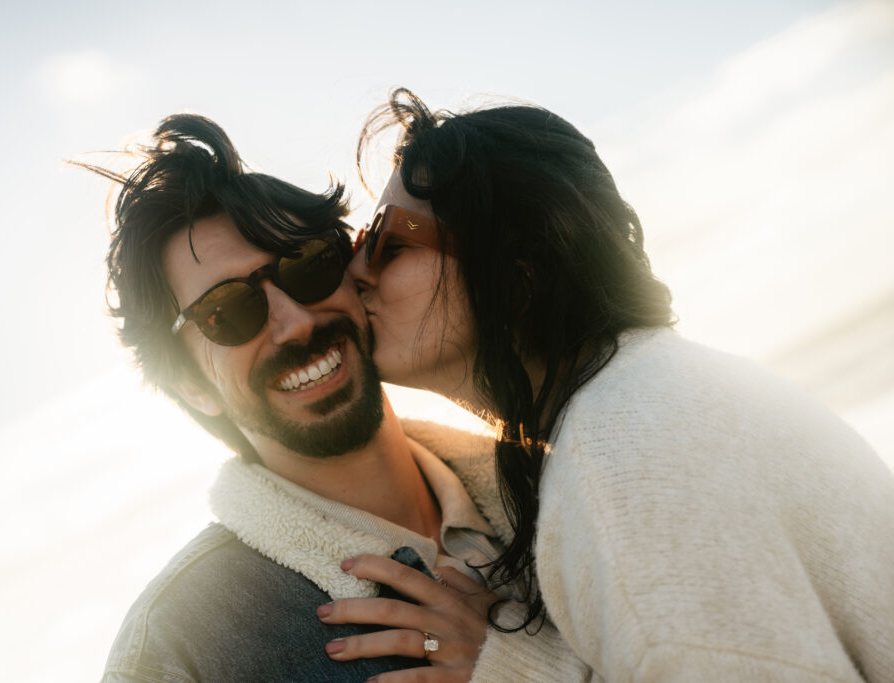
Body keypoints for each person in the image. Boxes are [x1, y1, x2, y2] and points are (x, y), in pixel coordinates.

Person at [326, 89, 894, 682]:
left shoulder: (628, 467)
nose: (356, 273)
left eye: (390, 241)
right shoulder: (657, 398)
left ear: (516, 276)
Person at [81, 113, 590, 682]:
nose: (295, 323)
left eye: (308, 265)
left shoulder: (565, 490)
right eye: (227, 312)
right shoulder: (179, 648)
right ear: (192, 387)